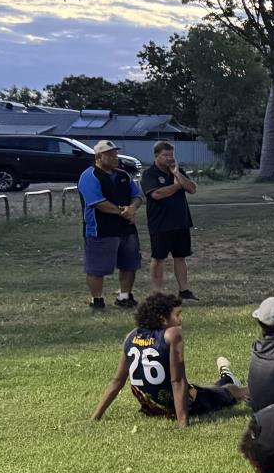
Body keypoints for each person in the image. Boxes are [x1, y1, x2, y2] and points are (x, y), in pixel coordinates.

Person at [92, 292, 246, 428]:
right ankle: (233, 378)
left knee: (208, 389)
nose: (181, 319)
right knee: (232, 391)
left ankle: (226, 375)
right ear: (162, 319)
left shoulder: (132, 335)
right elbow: (177, 381)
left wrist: (95, 417)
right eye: (177, 314)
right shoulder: (173, 334)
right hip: (177, 403)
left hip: (152, 407)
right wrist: (182, 424)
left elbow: (117, 382)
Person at [77, 139, 141, 312]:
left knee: (129, 264)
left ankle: (125, 296)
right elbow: (98, 203)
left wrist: (132, 208)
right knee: (97, 268)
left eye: (115, 154)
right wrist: (124, 212)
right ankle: (96, 300)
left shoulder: (123, 175)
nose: (115, 158)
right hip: (101, 229)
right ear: (98, 157)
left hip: (126, 228)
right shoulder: (89, 176)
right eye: (110, 155)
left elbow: (137, 196)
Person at [140, 140, 196, 299]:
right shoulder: (149, 173)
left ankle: (184, 290)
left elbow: (192, 189)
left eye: (171, 155)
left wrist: (177, 174)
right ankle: (157, 292)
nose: (169, 158)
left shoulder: (177, 171)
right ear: (156, 156)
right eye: (165, 155)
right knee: (158, 258)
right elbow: (157, 194)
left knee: (180, 256)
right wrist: (178, 186)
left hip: (181, 222)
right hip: (160, 223)